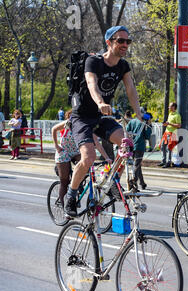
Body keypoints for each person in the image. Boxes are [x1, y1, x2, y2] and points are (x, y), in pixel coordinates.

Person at [64, 25, 146, 217]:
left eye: (128, 41)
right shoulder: (93, 61)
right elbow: (92, 84)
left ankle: (111, 182)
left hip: (102, 118)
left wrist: (139, 114)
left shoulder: (123, 66)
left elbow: (131, 90)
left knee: (128, 145)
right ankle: (71, 195)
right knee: (88, 158)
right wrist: (100, 102)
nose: (125, 44)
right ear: (109, 43)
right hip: (83, 117)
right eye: (120, 41)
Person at [52, 109, 111, 208]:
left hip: (76, 152)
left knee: (86, 164)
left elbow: (97, 143)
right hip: (64, 152)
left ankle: (76, 183)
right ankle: (64, 207)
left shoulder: (85, 127)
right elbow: (54, 129)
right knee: (64, 181)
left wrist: (107, 158)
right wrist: (57, 146)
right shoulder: (68, 123)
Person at [126, 108, 152, 189]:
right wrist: (149, 124)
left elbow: (126, 131)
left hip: (131, 145)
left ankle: (142, 183)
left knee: (137, 164)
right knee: (137, 165)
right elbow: (147, 136)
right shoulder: (144, 123)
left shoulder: (132, 121)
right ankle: (133, 181)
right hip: (140, 146)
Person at [158, 102, 181, 168]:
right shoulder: (170, 114)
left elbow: (179, 125)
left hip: (173, 133)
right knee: (162, 146)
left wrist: (169, 124)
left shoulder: (177, 115)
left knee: (169, 147)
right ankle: (163, 161)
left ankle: (169, 162)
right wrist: (165, 124)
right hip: (166, 133)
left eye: (170, 106)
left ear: (174, 107)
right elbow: (169, 123)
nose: (169, 107)